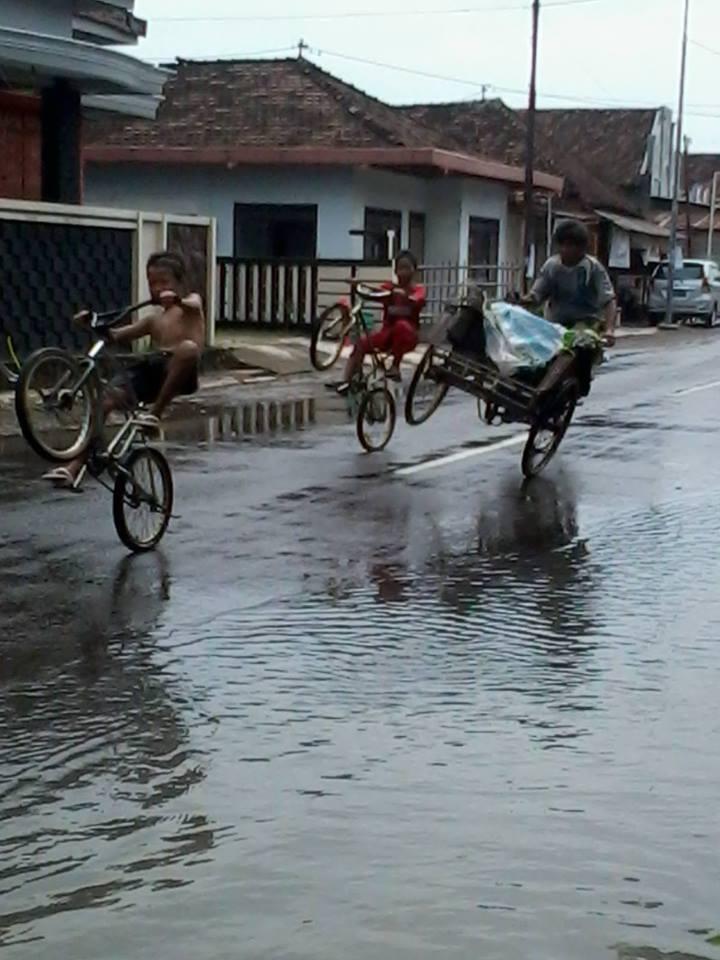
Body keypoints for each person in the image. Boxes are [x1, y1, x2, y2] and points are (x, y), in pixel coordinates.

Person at [43, 250, 204, 489]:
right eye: (152, 284)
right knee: (106, 400)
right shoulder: (153, 321)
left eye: (164, 283)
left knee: (188, 348)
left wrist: (178, 300)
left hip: (181, 372)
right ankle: (73, 468)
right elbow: (116, 335)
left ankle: (154, 416)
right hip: (152, 374)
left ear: (178, 284)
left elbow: (193, 302)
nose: (158, 289)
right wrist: (92, 322)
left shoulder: (191, 304)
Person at [337, 249, 426, 394]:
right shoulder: (389, 288)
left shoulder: (417, 289)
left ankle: (395, 366)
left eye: (406, 268)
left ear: (414, 270)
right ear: (395, 270)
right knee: (360, 345)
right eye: (400, 268)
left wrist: (406, 296)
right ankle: (347, 381)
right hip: (387, 335)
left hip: (408, 338)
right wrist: (357, 285)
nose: (403, 272)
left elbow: (418, 299)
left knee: (401, 325)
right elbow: (373, 293)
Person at [524, 219, 617, 344]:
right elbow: (536, 295)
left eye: (572, 245)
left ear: (582, 248)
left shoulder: (593, 267)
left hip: (586, 324)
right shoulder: (551, 266)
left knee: (574, 346)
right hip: (555, 325)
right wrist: (521, 301)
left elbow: (608, 300)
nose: (566, 250)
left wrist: (609, 330)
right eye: (564, 245)